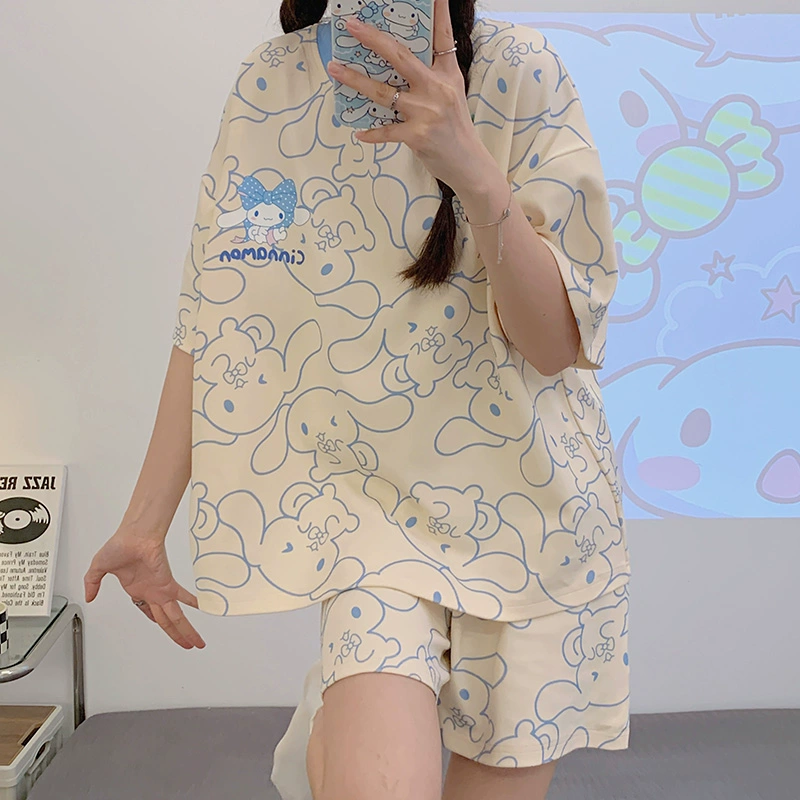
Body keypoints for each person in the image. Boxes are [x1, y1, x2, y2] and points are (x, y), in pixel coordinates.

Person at [84, 1, 631, 798]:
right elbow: (220, 314)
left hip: (532, 521)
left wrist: (468, 163)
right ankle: (332, 723)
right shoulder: (269, 85)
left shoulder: (521, 69)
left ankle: (323, 739)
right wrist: (144, 522)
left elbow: (553, 344)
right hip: (368, 524)